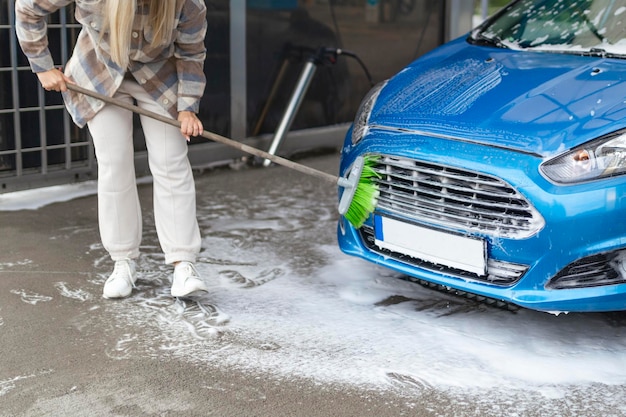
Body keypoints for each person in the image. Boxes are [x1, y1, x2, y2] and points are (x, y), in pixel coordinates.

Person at [15, 0, 209, 299]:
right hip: (99, 75)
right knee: (114, 164)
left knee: (171, 162)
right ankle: (123, 262)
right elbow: (28, 8)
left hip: (160, 80)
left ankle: (184, 264)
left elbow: (191, 51)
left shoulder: (188, 3)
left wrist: (187, 108)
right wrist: (42, 67)